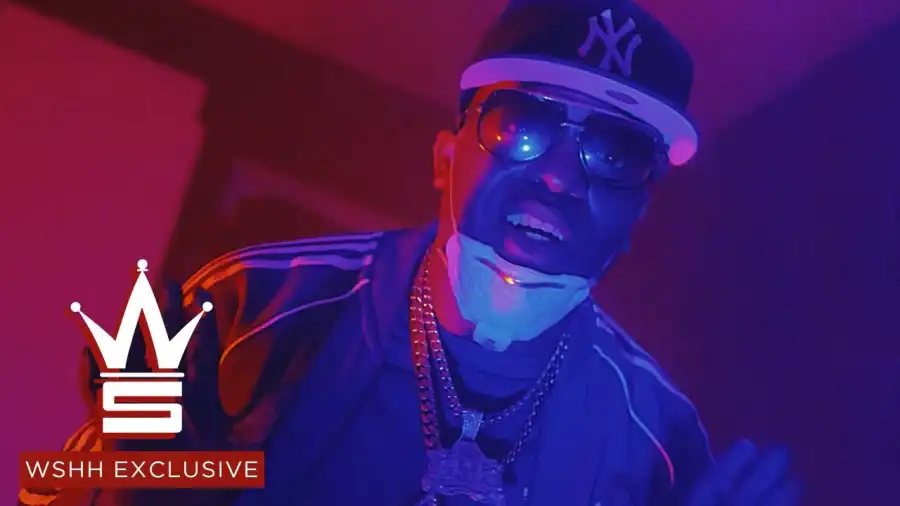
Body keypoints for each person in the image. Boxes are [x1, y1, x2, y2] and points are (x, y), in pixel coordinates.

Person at [20, 0, 799, 505]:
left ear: (639, 214)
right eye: (521, 125)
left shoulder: (659, 442)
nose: (560, 177)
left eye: (616, 153)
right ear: (444, 158)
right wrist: (138, 478)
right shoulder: (257, 304)